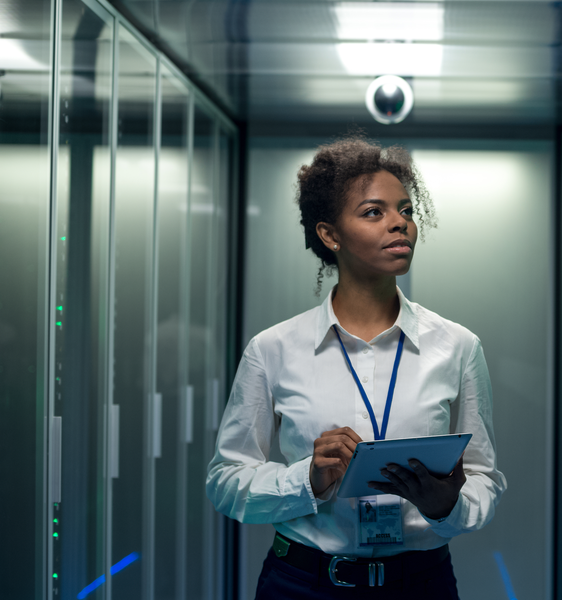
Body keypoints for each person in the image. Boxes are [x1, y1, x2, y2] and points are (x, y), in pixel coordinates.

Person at [206, 136, 505, 599]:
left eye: (405, 210)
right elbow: (226, 482)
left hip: (420, 584)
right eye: (374, 212)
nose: (399, 225)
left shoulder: (458, 347)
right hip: (303, 584)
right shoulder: (273, 350)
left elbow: (486, 479)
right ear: (330, 235)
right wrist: (306, 479)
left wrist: (448, 506)